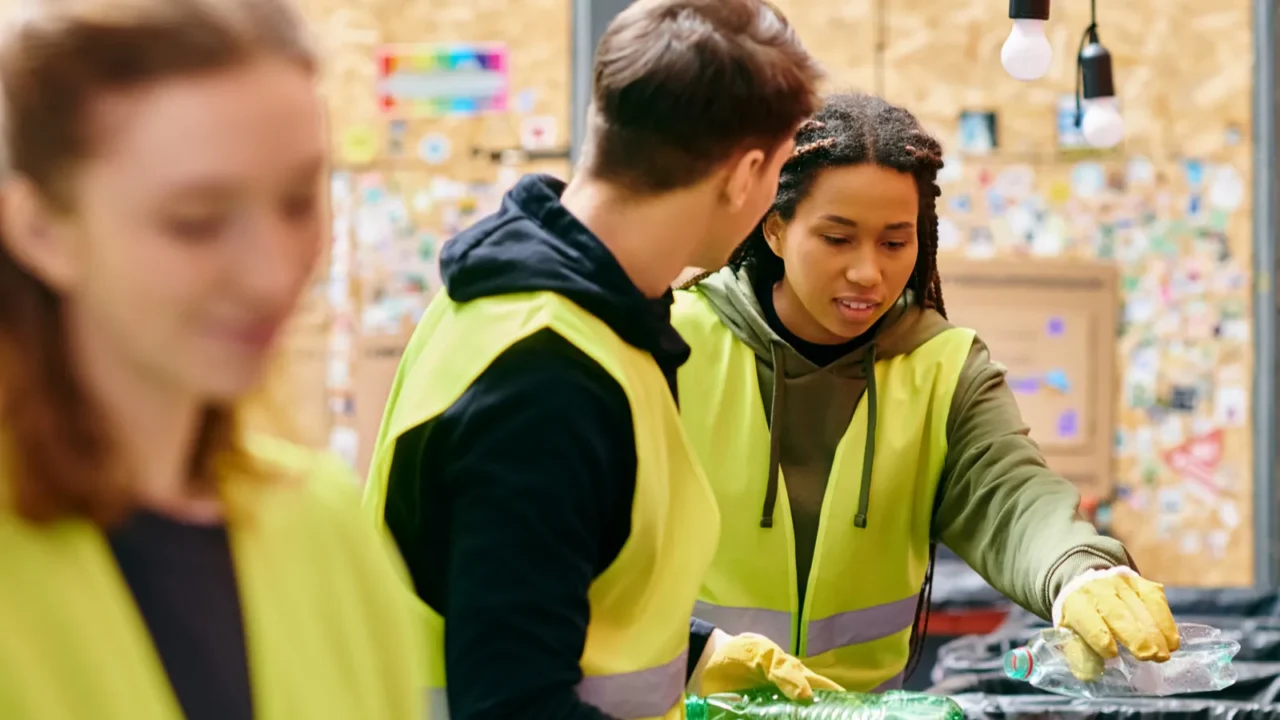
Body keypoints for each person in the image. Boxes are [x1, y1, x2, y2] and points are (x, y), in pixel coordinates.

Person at [361, 1, 842, 718]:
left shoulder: (545, 308)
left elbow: (534, 585)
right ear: (743, 174)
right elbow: (513, 702)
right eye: (780, 169)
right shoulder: (547, 378)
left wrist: (691, 650)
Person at [672, 92, 1179, 693]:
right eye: (838, 239)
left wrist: (1079, 571)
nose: (869, 272)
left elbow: (1011, 492)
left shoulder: (943, 366)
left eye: (894, 242)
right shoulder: (674, 342)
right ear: (776, 229)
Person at [0, 1, 419, 718]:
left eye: (297, 202)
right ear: (42, 229)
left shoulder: (325, 528)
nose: (271, 272)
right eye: (194, 223)